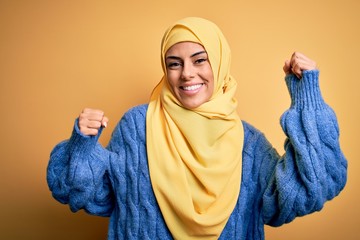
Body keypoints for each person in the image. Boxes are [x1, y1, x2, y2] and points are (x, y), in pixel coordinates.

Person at [47, 17, 347, 240]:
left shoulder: (249, 144)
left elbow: (310, 191)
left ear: (218, 62)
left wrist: (307, 99)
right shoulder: (137, 126)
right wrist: (82, 146)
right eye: (174, 63)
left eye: (200, 60)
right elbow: (92, 196)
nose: (187, 74)